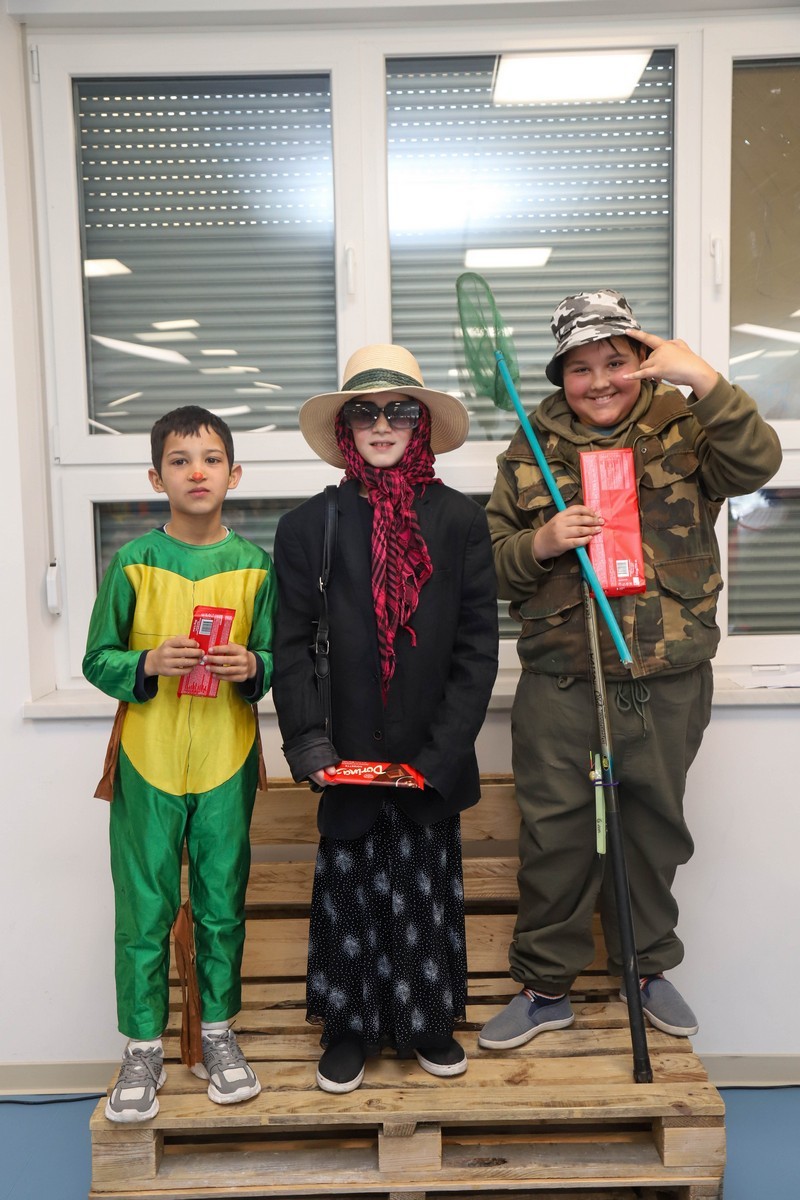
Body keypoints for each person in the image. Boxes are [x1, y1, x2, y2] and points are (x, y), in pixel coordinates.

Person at [480, 289, 782, 1050]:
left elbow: (758, 463)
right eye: (579, 368)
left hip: (665, 677)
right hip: (563, 682)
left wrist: (701, 377)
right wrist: (542, 542)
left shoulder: (687, 425)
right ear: (560, 376)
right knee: (557, 839)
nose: (599, 382)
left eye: (615, 361)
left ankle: (644, 972)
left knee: (652, 833)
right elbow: (486, 567)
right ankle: (545, 988)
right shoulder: (529, 447)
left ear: (643, 362)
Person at [272, 344, 499, 1093]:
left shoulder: (461, 521)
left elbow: (476, 650)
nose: (381, 424)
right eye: (363, 412)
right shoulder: (310, 525)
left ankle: (426, 1019)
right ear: (345, 428)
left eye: (399, 411)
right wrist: (309, 745)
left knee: (424, 894)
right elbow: (291, 646)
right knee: (350, 894)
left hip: (430, 758)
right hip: (347, 757)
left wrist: (440, 755)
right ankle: (348, 1027)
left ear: (420, 423)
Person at [83, 405, 277, 1122]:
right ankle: (143, 1048)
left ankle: (218, 1035)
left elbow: (276, 660)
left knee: (222, 905)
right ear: (155, 477)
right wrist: (146, 662)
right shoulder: (134, 561)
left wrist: (251, 665)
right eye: (180, 460)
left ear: (234, 473)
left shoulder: (256, 566)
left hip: (227, 757)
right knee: (144, 907)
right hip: (149, 758)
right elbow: (97, 659)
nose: (197, 471)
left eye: (211, 459)